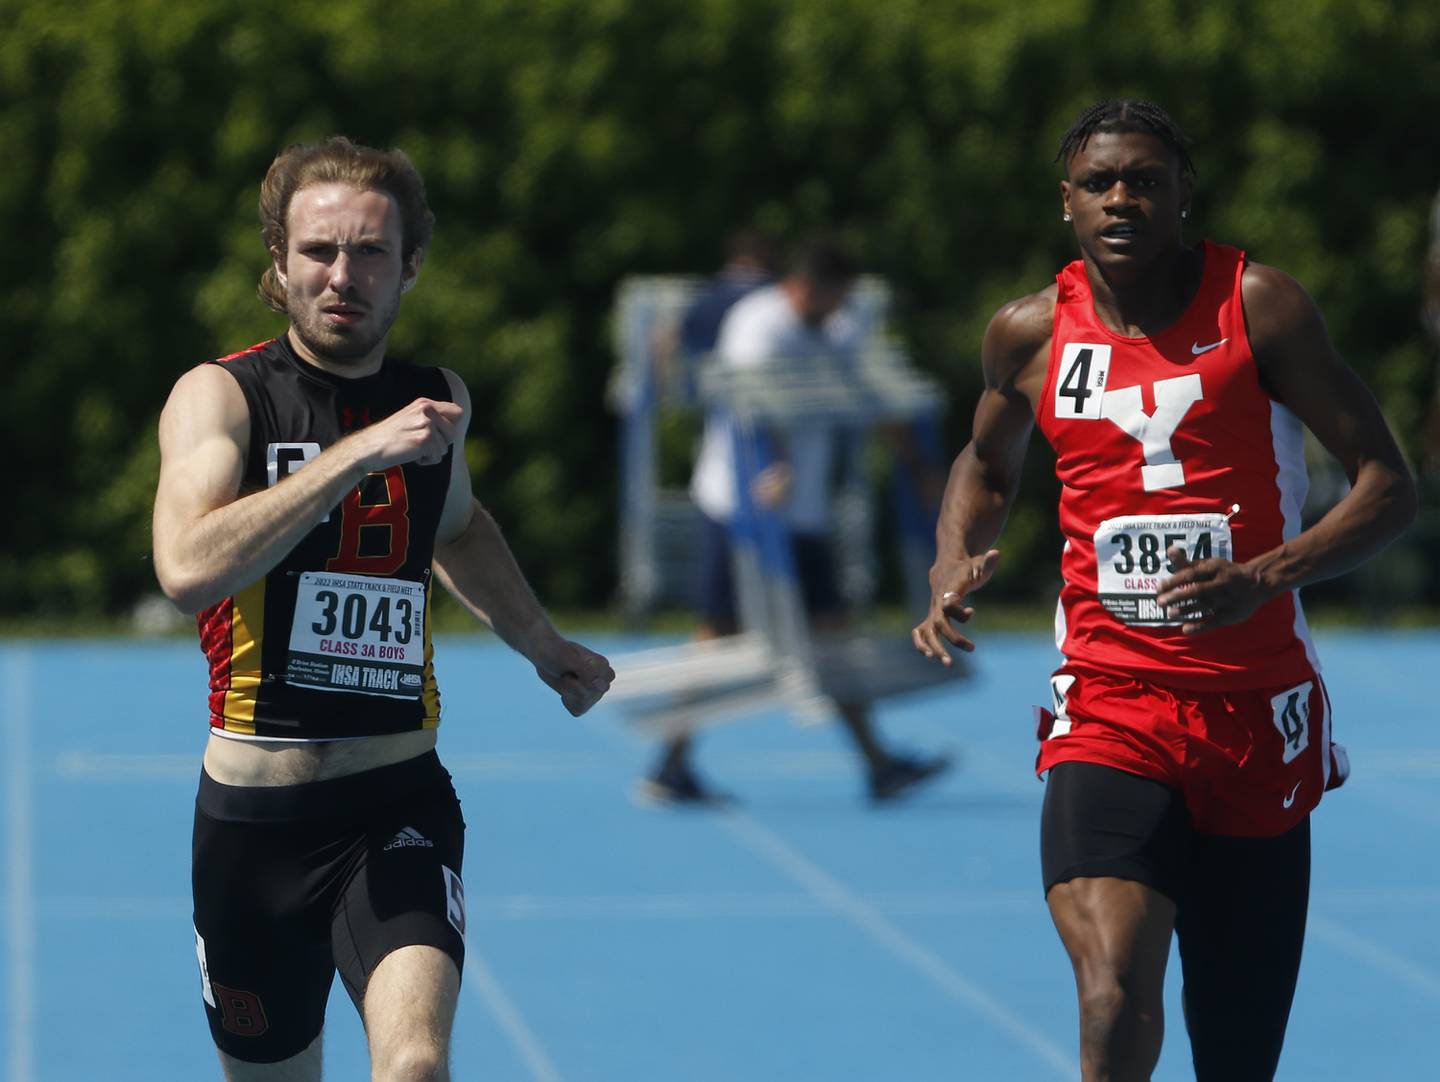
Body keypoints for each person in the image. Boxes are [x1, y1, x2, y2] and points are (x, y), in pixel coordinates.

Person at [911, 100, 1416, 1081]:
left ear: (1185, 193)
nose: (1122, 198)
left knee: (1234, 1051)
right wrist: (949, 561)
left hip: (1255, 705)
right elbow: (984, 463)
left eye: (1144, 178)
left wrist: (1261, 578)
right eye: (1100, 182)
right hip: (1111, 700)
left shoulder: (1259, 306)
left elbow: (1389, 486)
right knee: (1109, 1001)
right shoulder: (1027, 333)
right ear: (1067, 202)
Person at [151, 136, 615, 1081]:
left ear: (409, 269)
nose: (341, 275)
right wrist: (352, 459)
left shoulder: (435, 405)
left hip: (394, 800)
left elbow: (459, 527)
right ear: (278, 265)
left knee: (412, 1065)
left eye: (369, 252)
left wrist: (540, 642)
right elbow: (186, 565)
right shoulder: (224, 398)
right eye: (318, 251)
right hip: (253, 826)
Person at [639, 238, 951, 806]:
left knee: (832, 633)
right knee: (718, 637)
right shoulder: (758, 324)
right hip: (741, 505)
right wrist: (774, 463)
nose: (839, 308)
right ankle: (670, 761)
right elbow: (751, 402)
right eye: (833, 297)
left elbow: (878, 395)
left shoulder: (840, 324)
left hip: (802, 512)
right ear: (808, 287)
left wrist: (919, 468)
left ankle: (877, 763)